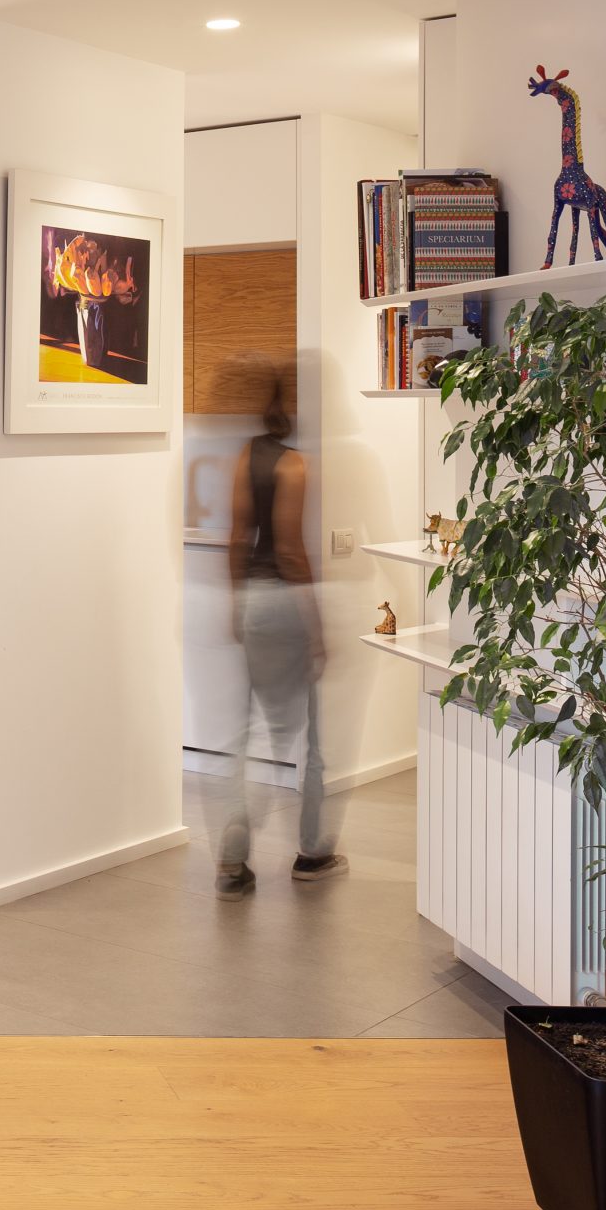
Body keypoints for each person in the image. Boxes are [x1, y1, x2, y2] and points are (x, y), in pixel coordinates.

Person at [216, 357, 346, 899]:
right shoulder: (295, 466)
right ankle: (312, 852)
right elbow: (290, 550)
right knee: (311, 736)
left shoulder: (246, 456)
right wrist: (316, 626)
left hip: (253, 599)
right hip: (285, 603)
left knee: (248, 731)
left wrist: (236, 602)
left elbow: (236, 537)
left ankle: (233, 856)